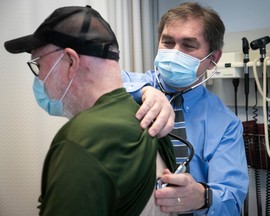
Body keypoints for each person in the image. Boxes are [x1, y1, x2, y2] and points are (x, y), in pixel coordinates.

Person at [4, 5, 177, 216]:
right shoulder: (151, 121)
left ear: (70, 61)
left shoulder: (81, 139)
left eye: (39, 65)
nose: (39, 78)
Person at [122, 2, 249, 216]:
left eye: (188, 45)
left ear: (213, 59)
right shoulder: (133, 86)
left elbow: (232, 200)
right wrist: (145, 91)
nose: (174, 53)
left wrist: (201, 197)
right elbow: (97, 84)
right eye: (168, 42)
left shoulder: (226, 123)